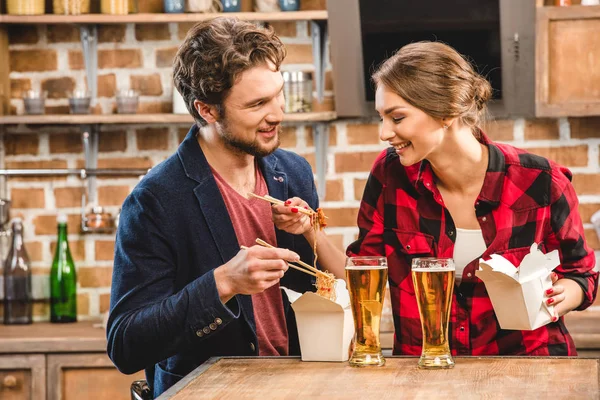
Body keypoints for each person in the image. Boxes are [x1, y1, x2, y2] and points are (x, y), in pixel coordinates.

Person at [107, 17, 326, 398]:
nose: (278, 113)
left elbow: (318, 291)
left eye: (278, 94)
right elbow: (126, 344)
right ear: (207, 110)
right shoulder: (155, 200)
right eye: (258, 104)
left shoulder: (293, 172)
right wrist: (222, 283)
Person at [343, 41, 598, 356]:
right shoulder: (388, 175)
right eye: (381, 118)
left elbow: (582, 273)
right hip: (426, 368)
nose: (384, 132)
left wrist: (563, 295)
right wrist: (311, 230)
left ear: (446, 112)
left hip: (528, 367)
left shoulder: (541, 182)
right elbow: (364, 267)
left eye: (396, 118)